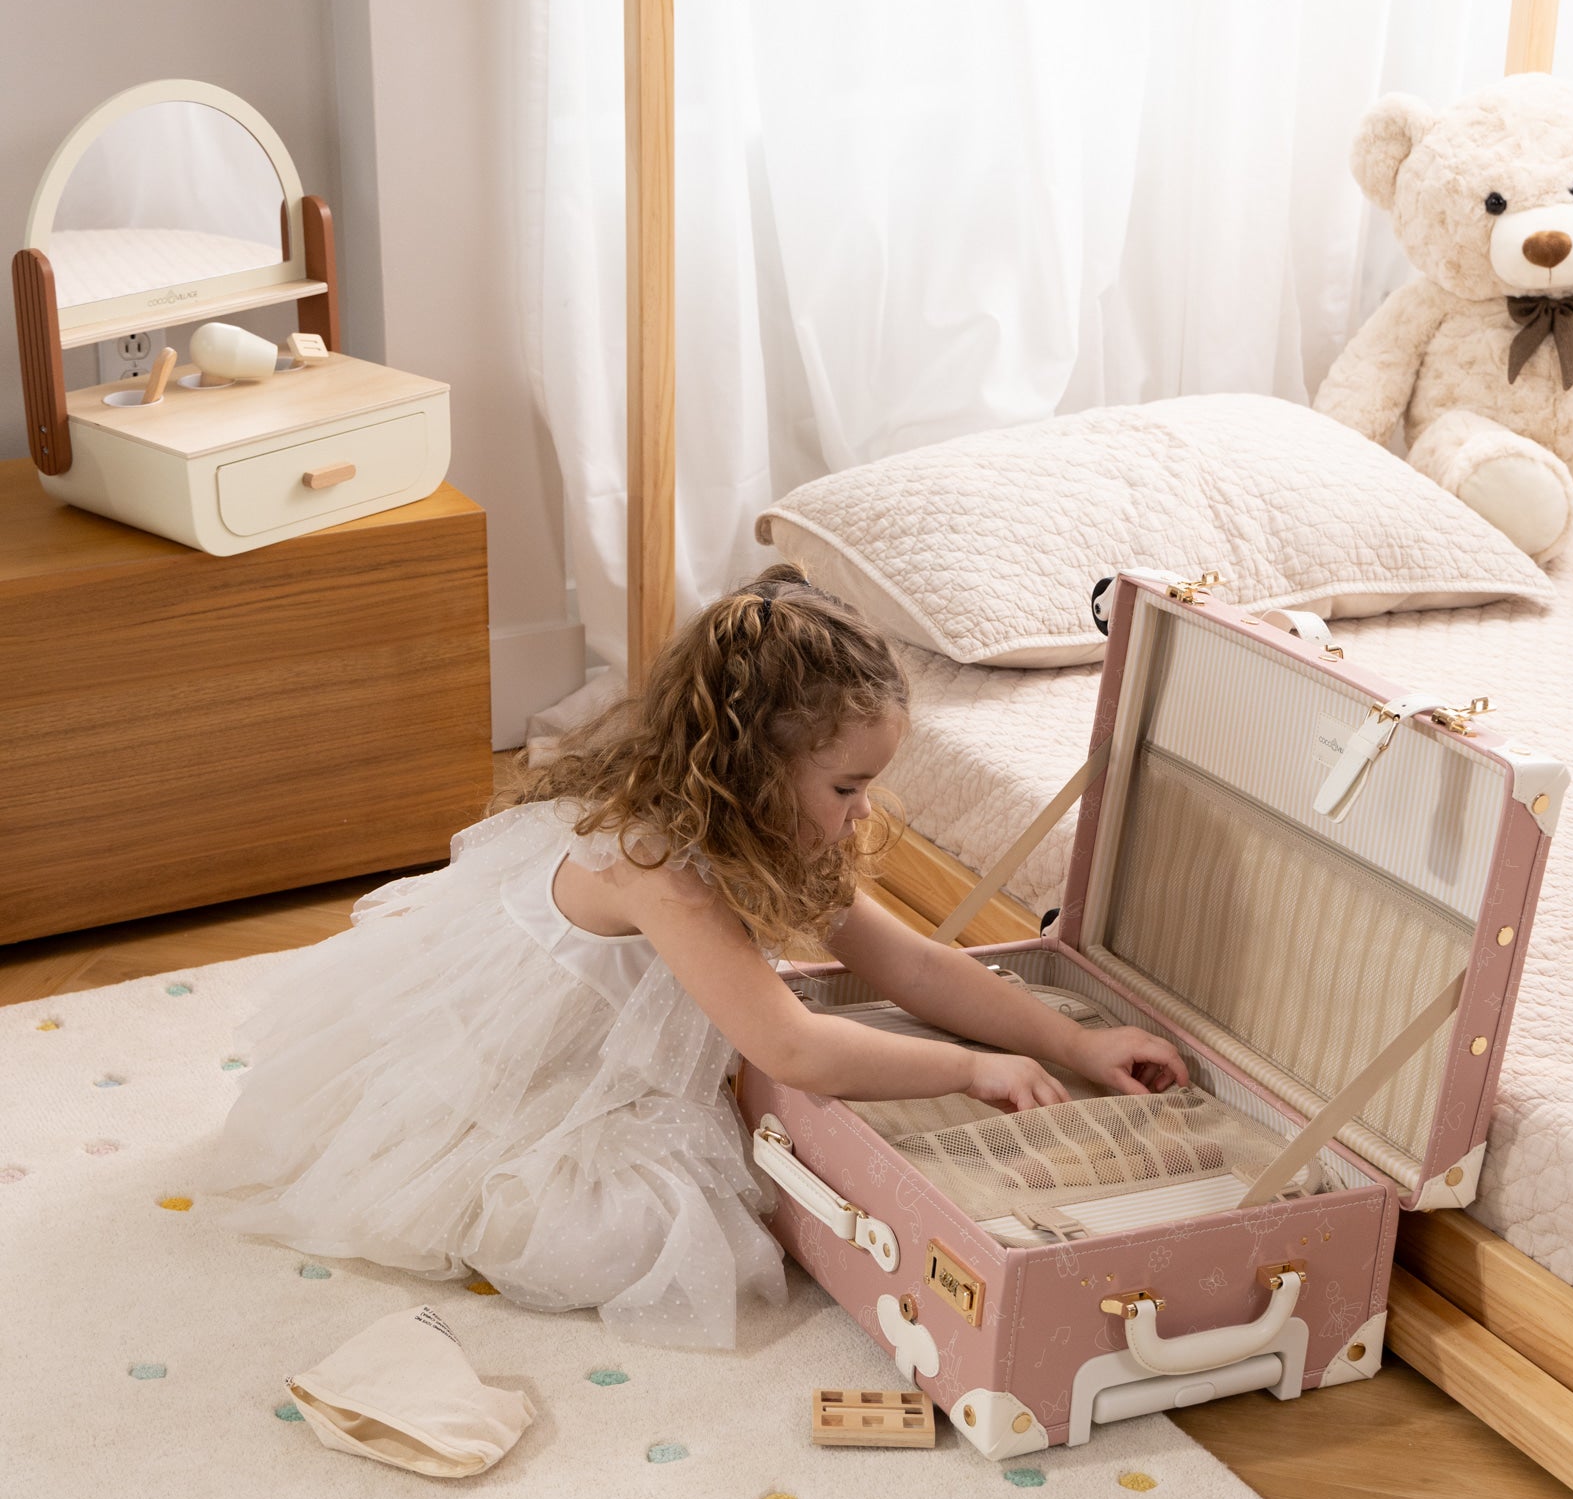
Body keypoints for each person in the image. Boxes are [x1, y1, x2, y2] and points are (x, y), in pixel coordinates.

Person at [211, 567, 1185, 1349]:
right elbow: (793, 1050)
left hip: (605, 1049)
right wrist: (974, 1069)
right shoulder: (653, 862)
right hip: (524, 1076)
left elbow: (919, 970)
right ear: (751, 768)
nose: (863, 814)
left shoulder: (778, 827)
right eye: (847, 785)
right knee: (651, 1233)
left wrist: (1069, 1043)